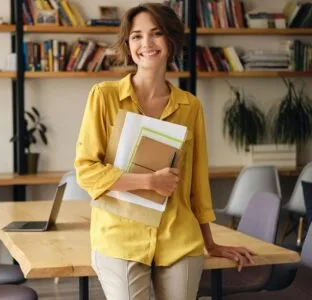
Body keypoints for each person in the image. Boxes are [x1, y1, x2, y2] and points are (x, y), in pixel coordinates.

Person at [74, 3, 255, 300]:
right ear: (128, 44)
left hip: (179, 237)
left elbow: (197, 184)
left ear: (171, 41)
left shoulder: (189, 106)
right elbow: (86, 171)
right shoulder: (104, 97)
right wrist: (149, 182)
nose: (146, 44)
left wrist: (211, 244)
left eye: (156, 34)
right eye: (136, 36)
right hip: (120, 237)